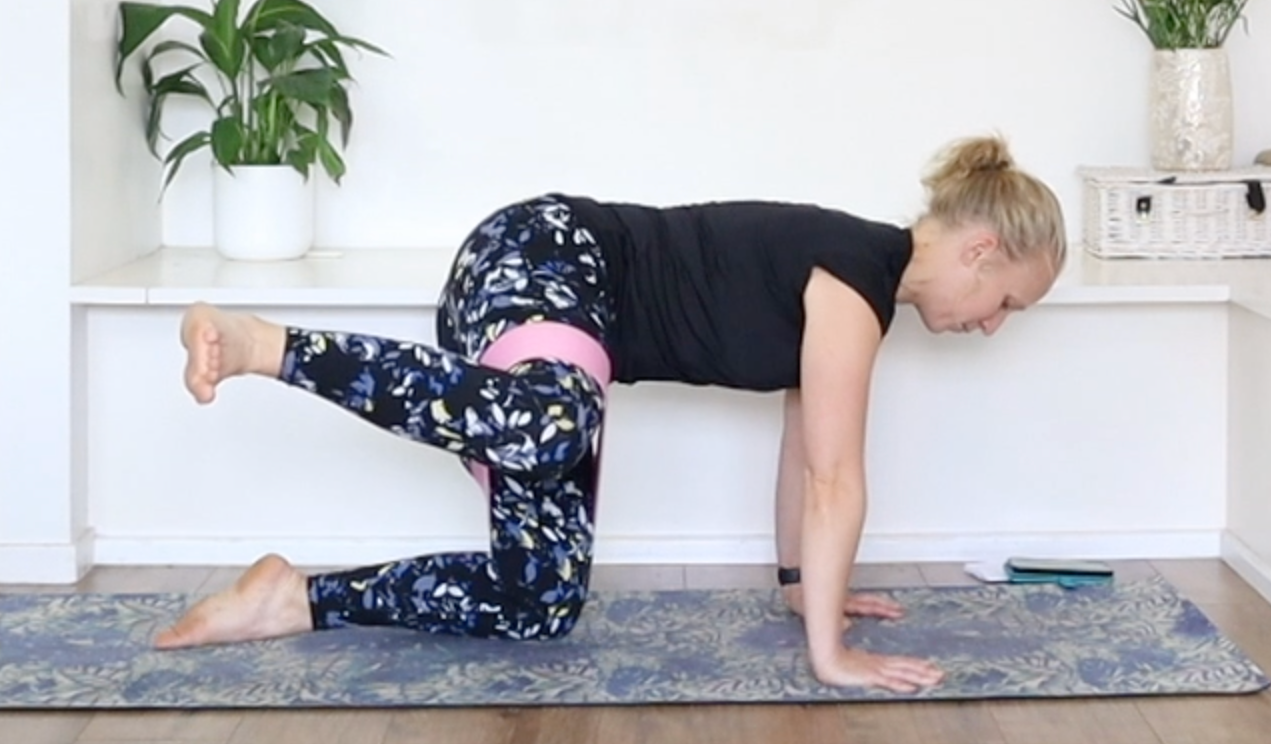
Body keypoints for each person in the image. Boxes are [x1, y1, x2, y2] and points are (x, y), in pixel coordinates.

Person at [154, 134, 1065, 694]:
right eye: (1005, 303)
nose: (991, 325)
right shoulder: (852, 274)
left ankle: (293, 598)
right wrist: (831, 654)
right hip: (541, 250)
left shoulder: (857, 292)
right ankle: (265, 344)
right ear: (979, 250)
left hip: (555, 346)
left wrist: (800, 587)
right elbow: (835, 480)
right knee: (552, 421)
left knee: (538, 599)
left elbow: (805, 455)